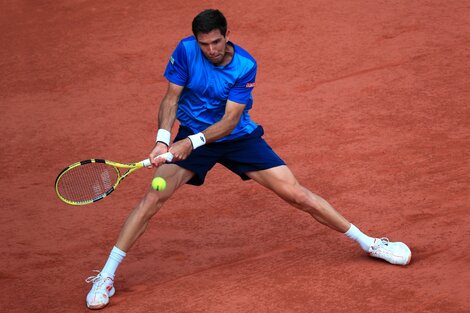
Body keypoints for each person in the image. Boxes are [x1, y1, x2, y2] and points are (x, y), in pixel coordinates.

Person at [85, 9, 411, 310]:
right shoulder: (185, 51)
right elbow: (171, 97)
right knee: (152, 199)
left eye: (216, 42)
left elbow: (229, 121)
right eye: (204, 44)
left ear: (227, 35)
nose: (210, 50)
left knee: (297, 194)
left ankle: (370, 243)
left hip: (236, 138)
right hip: (192, 135)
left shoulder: (244, 65)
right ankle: (106, 276)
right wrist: (162, 139)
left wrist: (189, 142)